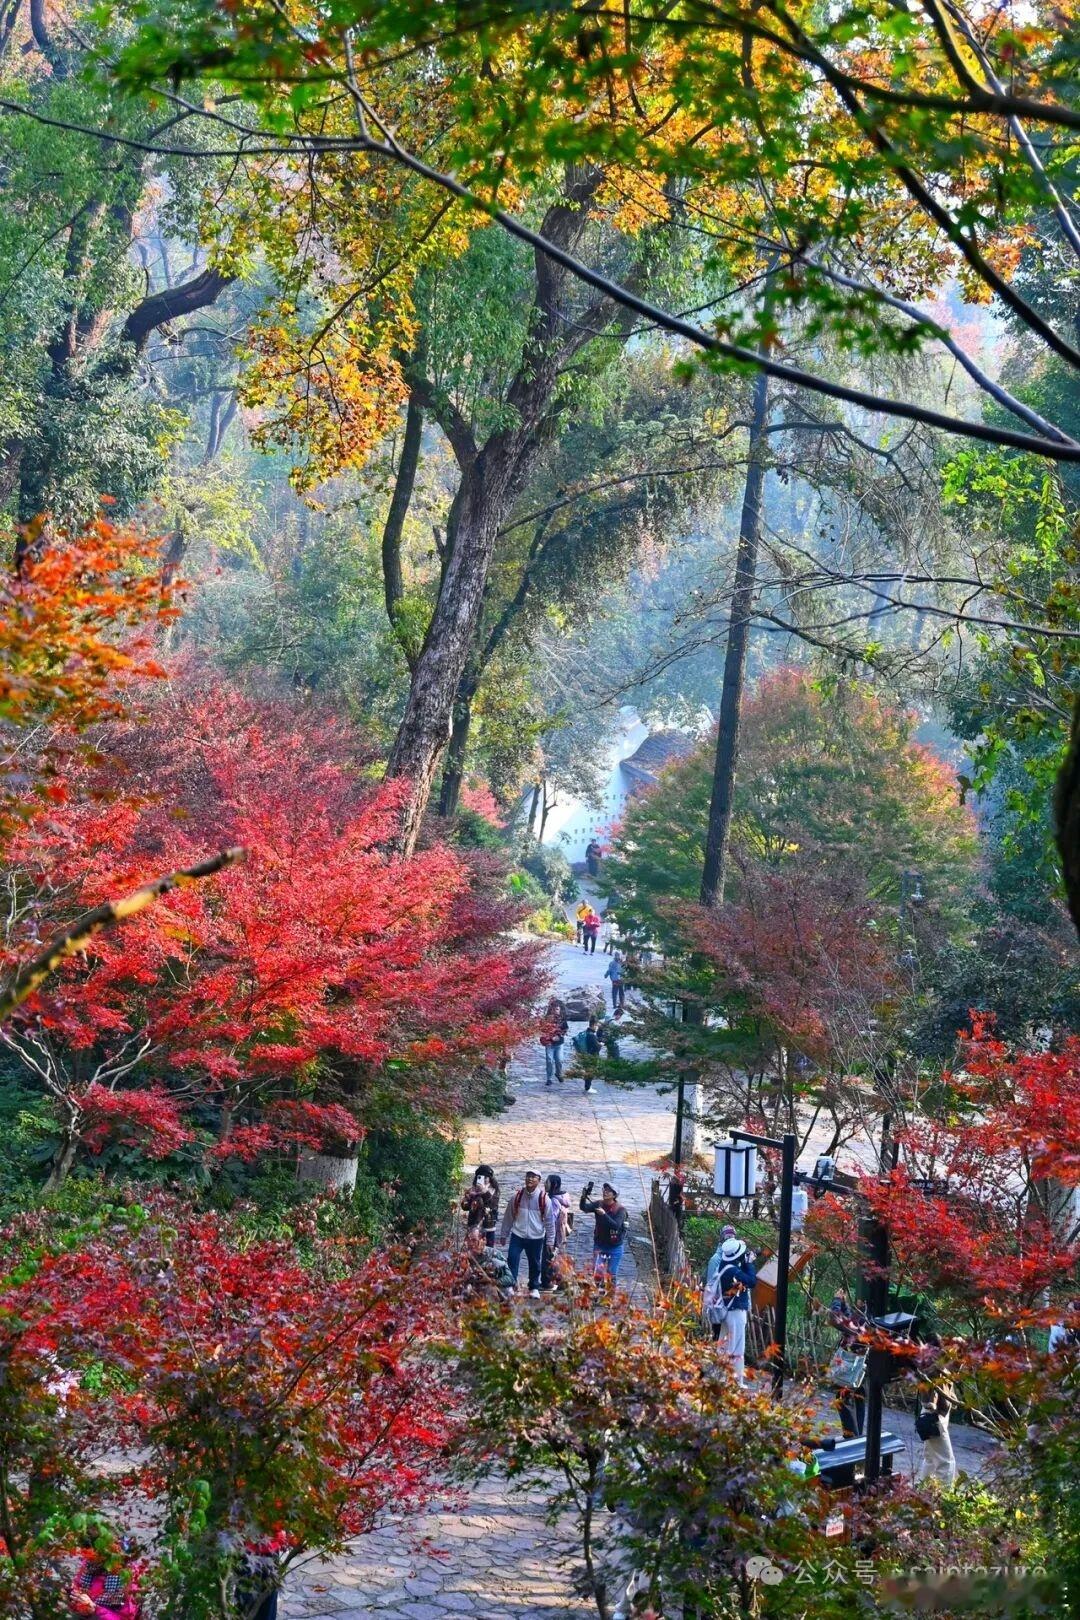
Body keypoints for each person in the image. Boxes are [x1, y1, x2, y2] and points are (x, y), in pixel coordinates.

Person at [703, 1236, 757, 1386]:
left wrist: (745, 1263)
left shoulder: (724, 1265)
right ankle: (736, 1380)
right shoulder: (733, 1270)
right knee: (737, 1346)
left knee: (723, 1344)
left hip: (727, 1310)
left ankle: (718, 1375)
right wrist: (749, 1264)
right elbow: (751, 1281)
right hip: (735, 1311)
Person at [500, 1170, 556, 1297]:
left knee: (535, 1263)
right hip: (517, 1234)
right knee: (512, 1259)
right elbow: (508, 1216)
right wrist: (504, 1234)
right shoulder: (517, 1197)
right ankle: (511, 1285)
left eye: (533, 1177)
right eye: (528, 1176)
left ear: (539, 1180)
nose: (530, 1179)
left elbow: (549, 1222)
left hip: (536, 1237)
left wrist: (550, 1241)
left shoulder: (544, 1199)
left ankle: (534, 1287)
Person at [827, 1287, 869, 1437]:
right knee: (858, 1401)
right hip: (862, 1366)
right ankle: (856, 1440)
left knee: (843, 1400)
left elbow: (835, 1319)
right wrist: (844, 1305)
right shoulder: (868, 1316)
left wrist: (837, 1301)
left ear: (864, 1300)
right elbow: (850, 1322)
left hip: (850, 1365)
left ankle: (852, 1440)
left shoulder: (863, 1318)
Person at [69, 1539, 143, 1620]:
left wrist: (95, 1609)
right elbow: (76, 1588)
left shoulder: (123, 1579)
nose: (91, 1556)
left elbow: (125, 1617)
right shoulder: (88, 1566)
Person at [915, 1360, 958, 1488]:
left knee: (930, 1458)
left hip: (938, 1416)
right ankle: (944, 1497)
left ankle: (921, 1488)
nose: (959, 1366)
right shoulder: (934, 1368)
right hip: (933, 1416)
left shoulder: (946, 1372)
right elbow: (923, 1377)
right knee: (946, 1461)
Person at [580, 1180, 629, 1287]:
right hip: (600, 1244)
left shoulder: (620, 1210)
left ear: (614, 1195)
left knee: (611, 1274)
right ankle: (596, 1295)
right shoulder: (599, 1204)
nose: (605, 1192)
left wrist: (604, 1214)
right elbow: (584, 1208)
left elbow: (616, 1225)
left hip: (615, 1246)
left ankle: (610, 1298)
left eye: (609, 1191)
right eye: (604, 1190)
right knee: (598, 1273)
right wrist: (583, 1197)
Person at [541, 1172, 573, 1290]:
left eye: (547, 1182)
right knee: (557, 1257)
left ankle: (548, 1282)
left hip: (552, 1234)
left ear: (553, 1185)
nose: (544, 1184)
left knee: (548, 1258)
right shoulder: (563, 1198)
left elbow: (551, 1219)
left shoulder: (553, 1200)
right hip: (561, 1234)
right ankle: (559, 1282)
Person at [461, 1164, 499, 1251]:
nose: (484, 1179)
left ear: (490, 1178)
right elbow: (465, 1207)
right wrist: (467, 1198)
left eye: (486, 1177)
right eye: (480, 1177)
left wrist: (484, 1192)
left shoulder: (493, 1190)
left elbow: (493, 1204)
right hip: (473, 1227)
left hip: (488, 1227)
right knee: (472, 1251)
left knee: (488, 1252)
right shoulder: (473, 1190)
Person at [539, 996, 569, 1086]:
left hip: (559, 1044)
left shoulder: (562, 1020)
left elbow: (565, 1029)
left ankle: (558, 1073)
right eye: (555, 1009)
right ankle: (549, 1078)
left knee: (559, 1060)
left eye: (558, 1009)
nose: (557, 1011)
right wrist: (550, 1037)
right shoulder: (547, 1020)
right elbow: (542, 1030)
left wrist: (559, 1035)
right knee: (549, 1060)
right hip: (549, 1043)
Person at [574, 1016, 603, 1090]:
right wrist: (601, 1044)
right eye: (597, 1025)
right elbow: (596, 1047)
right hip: (591, 1055)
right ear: (594, 1025)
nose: (597, 1027)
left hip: (586, 1054)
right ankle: (588, 1087)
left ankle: (588, 1086)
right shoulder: (591, 1035)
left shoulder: (586, 1032)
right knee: (590, 1071)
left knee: (588, 1070)